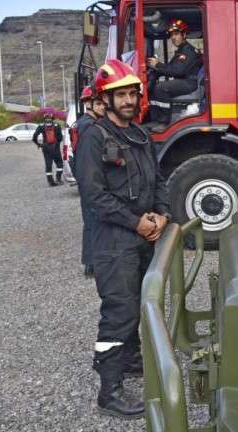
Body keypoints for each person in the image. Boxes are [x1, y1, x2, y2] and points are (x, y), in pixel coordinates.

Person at [77, 59, 171, 419]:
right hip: (113, 242)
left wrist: (161, 214)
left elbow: (159, 179)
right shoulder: (94, 137)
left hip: (140, 236)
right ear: (106, 98)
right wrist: (136, 223)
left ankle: (131, 362)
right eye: (121, 95)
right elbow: (94, 196)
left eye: (133, 93)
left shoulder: (141, 134)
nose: (129, 100)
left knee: (137, 305)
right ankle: (109, 390)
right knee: (119, 312)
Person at [145, 18, 202, 132]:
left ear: (184, 34)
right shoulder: (181, 50)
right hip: (185, 81)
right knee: (154, 87)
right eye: (172, 35)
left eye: (176, 34)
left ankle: (164, 122)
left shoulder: (188, 51)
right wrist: (155, 69)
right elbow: (171, 68)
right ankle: (156, 118)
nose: (173, 37)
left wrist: (158, 65)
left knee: (161, 88)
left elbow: (177, 71)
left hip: (190, 83)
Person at [72, 85, 106, 278]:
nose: (103, 107)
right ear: (88, 104)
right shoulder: (89, 126)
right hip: (89, 180)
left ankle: (92, 262)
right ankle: (92, 264)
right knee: (93, 220)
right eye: (99, 103)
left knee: (91, 220)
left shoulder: (82, 123)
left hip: (84, 178)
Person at [33, 112, 64, 187]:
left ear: (44, 119)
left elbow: (34, 137)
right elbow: (60, 138)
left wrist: (39, 144)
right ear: (52, 119)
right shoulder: (57, 126)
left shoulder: (41, 126)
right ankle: (58, 179)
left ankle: (51, 181)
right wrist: (57, 144)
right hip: (55, 148)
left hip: (45, 148)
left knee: (48, 165)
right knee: (59, 163)